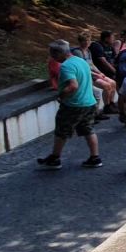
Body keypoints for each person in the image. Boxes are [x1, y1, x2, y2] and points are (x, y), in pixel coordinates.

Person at [37, 40, 102, 170]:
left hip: (73, 105)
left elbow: (73, 85)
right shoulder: (80, 61)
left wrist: (61, 95)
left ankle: (55, 158)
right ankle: (95, 157)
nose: (52, 58)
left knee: (62, 131)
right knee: (88, 129)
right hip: (89, 102)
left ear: (59, 53)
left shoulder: (66, 66)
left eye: (53, 55)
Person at [90, 31, 120, 113]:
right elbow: (103, 61)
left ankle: (111, 103)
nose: (113, 39)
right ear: (106, 38)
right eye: (112, 38)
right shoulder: (97, 46)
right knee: (108, 85)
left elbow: (114, 58)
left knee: (114, 83)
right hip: (102, 70)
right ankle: (107, 106)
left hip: (108, 71)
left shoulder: (110, 46)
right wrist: (114, 71)